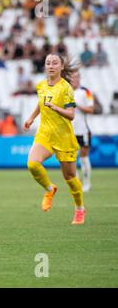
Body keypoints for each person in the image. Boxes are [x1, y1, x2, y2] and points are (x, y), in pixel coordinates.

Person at [23, 53, 85, 225]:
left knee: (70, 178)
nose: (51, 65)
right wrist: (31, 118)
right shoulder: (41, 85)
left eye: (55, 63)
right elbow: (41, 103)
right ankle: (50, 189)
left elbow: (71, 115)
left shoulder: (66, 88)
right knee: (32, 164)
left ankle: (79, 208)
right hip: (45, 134)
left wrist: (55, 108)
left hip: (63, 137)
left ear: (61, 67)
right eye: (48, 63)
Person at [71, 71, 94, 192]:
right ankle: (77, 183)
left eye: (77, 77)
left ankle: (87, 183)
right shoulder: (66, 91)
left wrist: (77, 105)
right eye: (73, 77)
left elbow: (91, 109)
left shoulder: (86, 92)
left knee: (84, 157)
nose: (75, 79)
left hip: (83, 130)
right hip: (69, 131)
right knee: (71, 159)